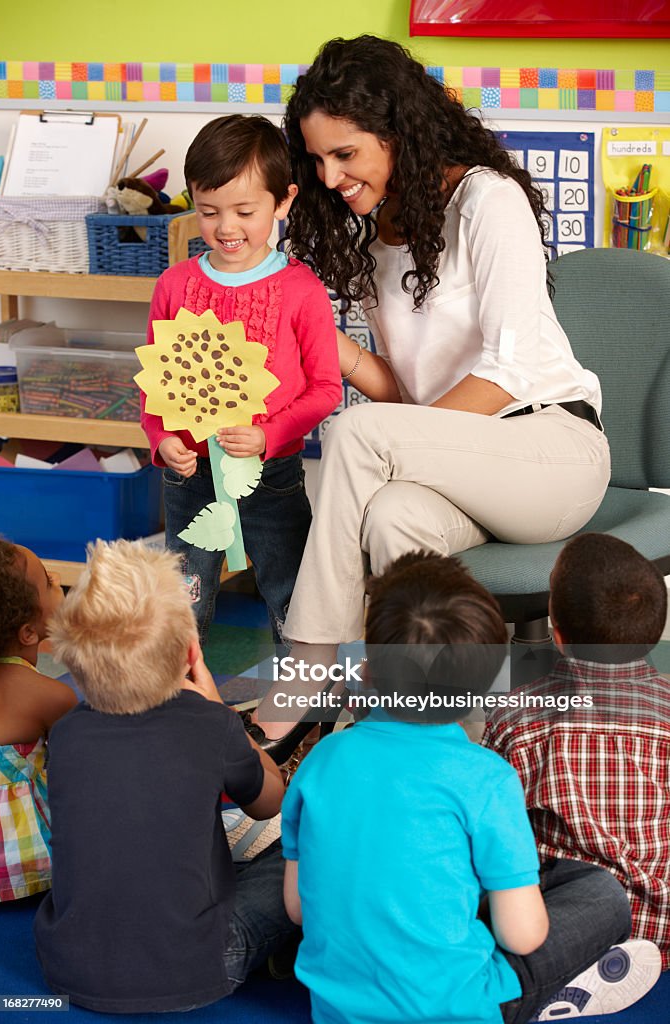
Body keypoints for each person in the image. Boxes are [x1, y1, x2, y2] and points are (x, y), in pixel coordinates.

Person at [252, 34, 611, 750]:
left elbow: (507, 372)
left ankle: (308, 670)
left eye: (345, 154)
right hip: (464, 468)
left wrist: (397, 439)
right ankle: (442, 740)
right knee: (389, 520)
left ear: (397, 130)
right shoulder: (378, 234)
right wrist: (338, 351)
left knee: (359, 433)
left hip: (550, 450)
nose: (328, 177)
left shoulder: (487, 198)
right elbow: (407, 393)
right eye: (317, 160)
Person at [281, 551, 660, 1024]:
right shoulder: (485, 778)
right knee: (603, 895)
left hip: (337, 1009)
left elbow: (297, 910)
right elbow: (523, 937)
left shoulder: (321, 761)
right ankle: (544, 1000)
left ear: (368, 669)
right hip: (463, 1006)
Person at [34, 539, 298, 1013]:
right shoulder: (210, 724)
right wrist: (217, 705)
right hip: (198, 963)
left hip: (66, 965)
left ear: (69, 659)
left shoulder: (66, 734)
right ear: (190, 654)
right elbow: (271, 801)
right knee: (301, 848)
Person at [140, 114, 342, 645]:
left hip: (271, 475)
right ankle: (181, 706)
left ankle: (306, 714)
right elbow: (154, 385)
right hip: (190, 477)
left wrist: (269, 435)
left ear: (283, 201)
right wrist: (161, 441)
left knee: (291, 595)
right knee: (182, 602)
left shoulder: (301, 290)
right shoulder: (174, 284)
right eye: (209, 212)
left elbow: (326, 389)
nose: (227, 228)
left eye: (245, 211)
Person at [483, 532, 669, 974]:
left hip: (553, 926)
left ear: (558, 637)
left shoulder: (516, 717)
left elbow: (493, 829)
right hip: (659, 931)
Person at [0, 539, 76, 903]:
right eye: (48, 581)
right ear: (29, 632)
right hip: (25, 870)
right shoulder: (52, 697)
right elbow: (83, 777)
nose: (57, 579)